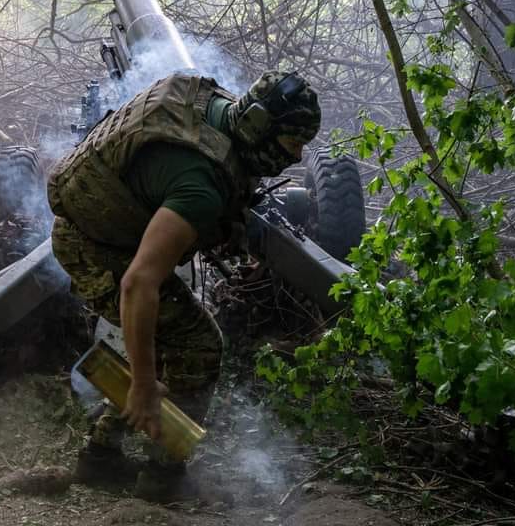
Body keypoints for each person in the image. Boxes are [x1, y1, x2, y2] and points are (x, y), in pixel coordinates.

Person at [47, 70, 321, 501]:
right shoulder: (200, 188)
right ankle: (163, 475)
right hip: (95, 249)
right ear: (257, 127)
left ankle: (100, 456)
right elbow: (139, 283)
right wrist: (140, 384)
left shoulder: (213, 104)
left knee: (159, 337)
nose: (297, 155)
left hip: (111, 231)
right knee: (197, 344)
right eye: (291, 144)